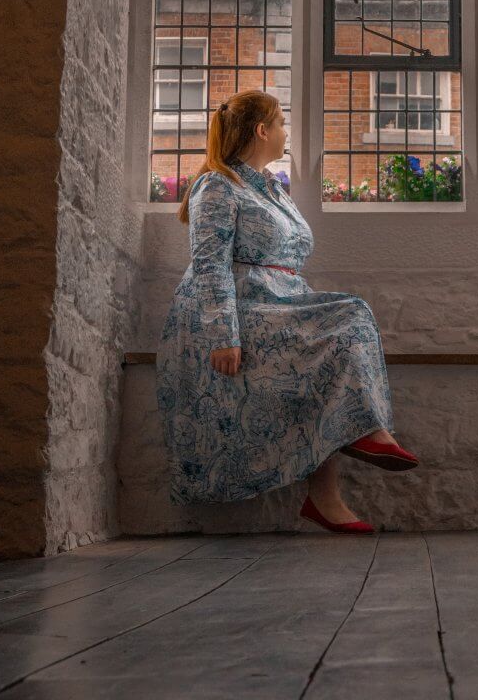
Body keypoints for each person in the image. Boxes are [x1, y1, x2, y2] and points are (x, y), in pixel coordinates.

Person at [155, 89, 419, 534]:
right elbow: (208, 261)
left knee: (347, 322)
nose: (285, 133)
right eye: (280, 124)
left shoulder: (272, 190)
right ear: (262, 130)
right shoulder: (217, 185)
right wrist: (223, 335)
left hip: (278, 302)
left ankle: (328, 489)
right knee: (348, 319)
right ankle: (363, 436)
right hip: (238, 310)